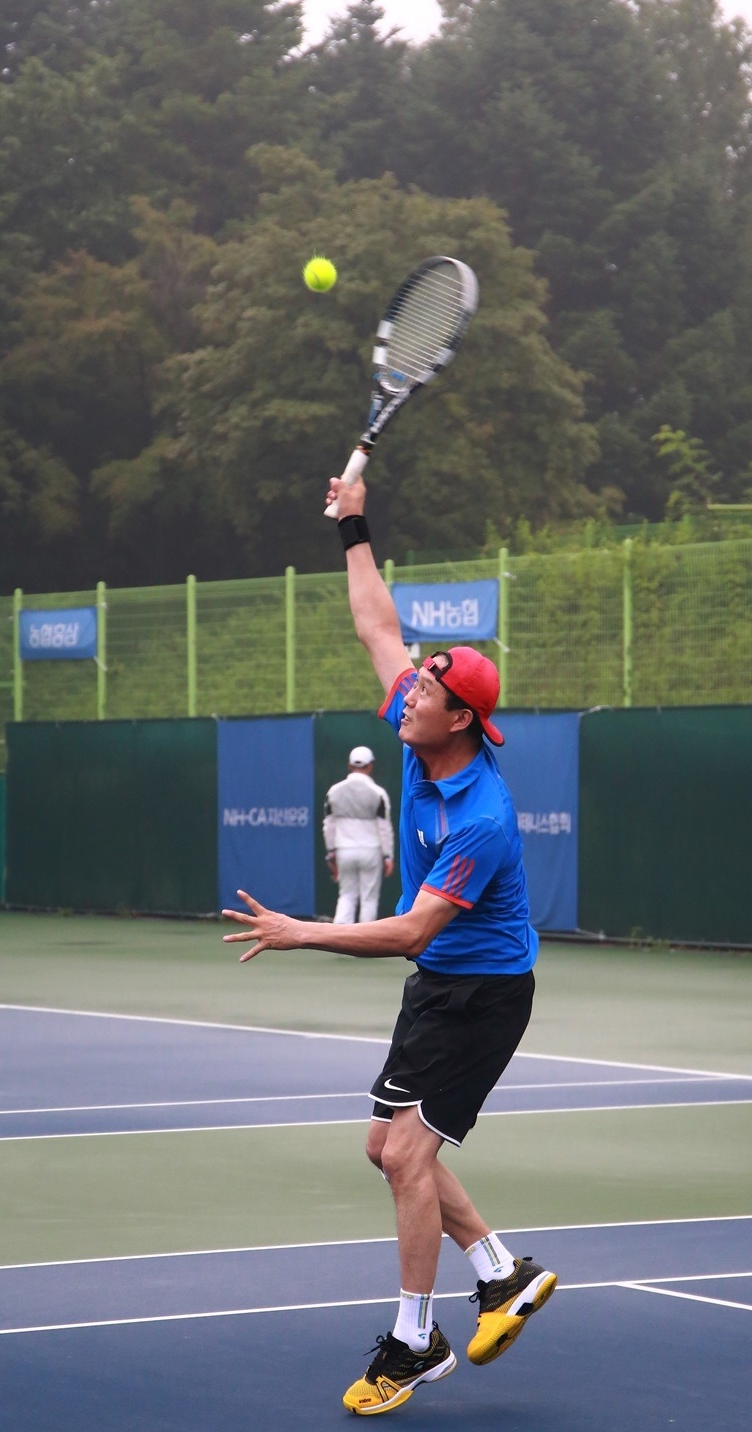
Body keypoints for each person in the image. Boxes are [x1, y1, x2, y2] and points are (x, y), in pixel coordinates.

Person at [223, 475, 556, 1418]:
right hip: (436, 986)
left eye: (428, 692)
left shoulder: (481, 817)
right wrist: (354, 522)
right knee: (385, 1146)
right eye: (417, 683)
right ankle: (498, 1272)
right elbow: (377, 625)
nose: (407, 695)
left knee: (410, 1157)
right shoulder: (419, 731)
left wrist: (301, 931)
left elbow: (410, 928)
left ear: (463, 722)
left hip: (485, 994)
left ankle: (416, 1340)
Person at [323, 746, 395, 923]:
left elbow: (329, 825)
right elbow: (384, 827)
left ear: (349, 765)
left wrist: (331, 852)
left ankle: (338, 937)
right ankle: (365, 941)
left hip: (344, 850)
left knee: (346, 895)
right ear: (370, 766)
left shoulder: (334, 792)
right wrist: (388, 856)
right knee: (369, 899)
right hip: (371, 850)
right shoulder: (378, 793)